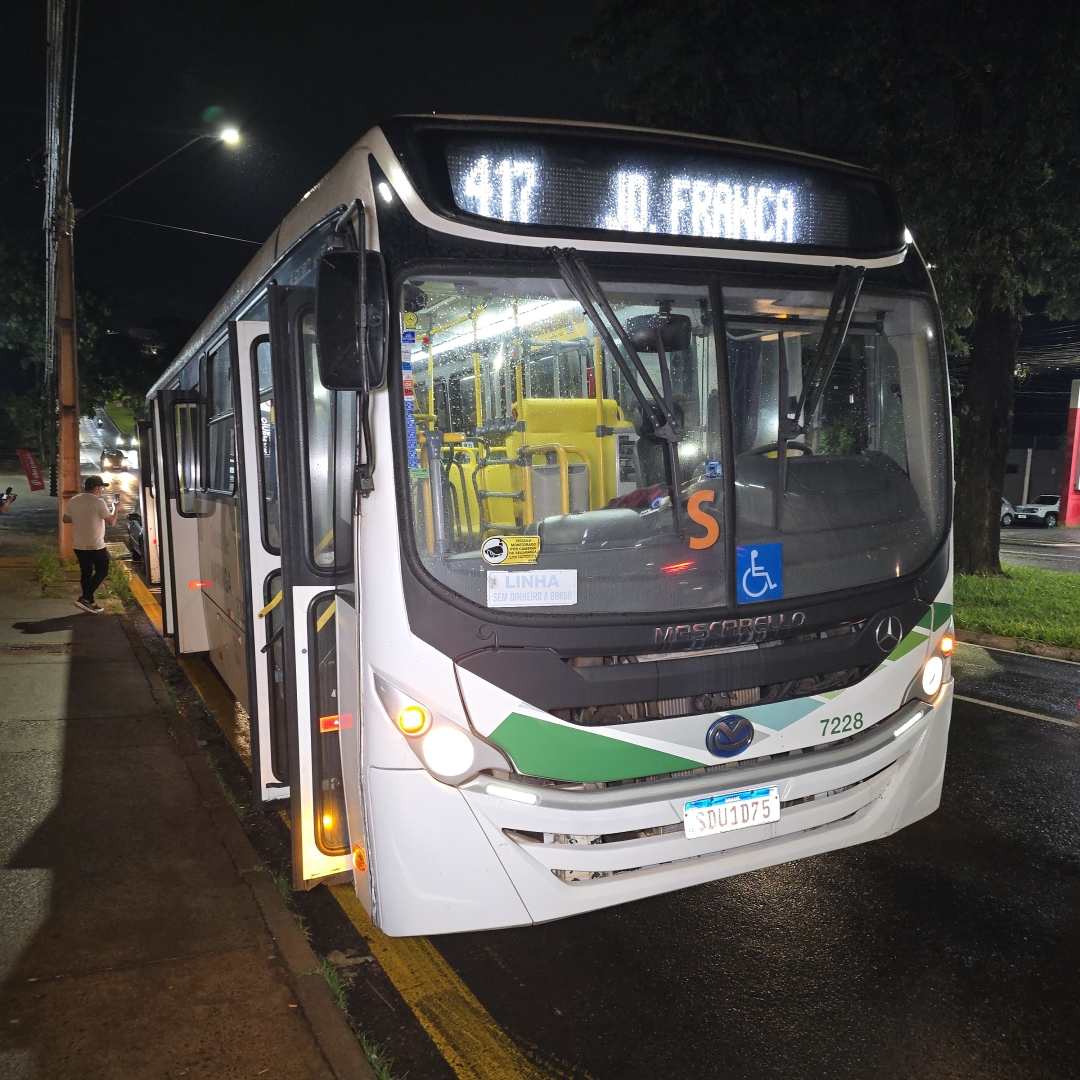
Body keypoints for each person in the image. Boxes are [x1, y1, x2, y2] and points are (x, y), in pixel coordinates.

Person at [63, 475, 118, 614]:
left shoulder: (74, 500)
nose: (102, 490)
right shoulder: (98, 502)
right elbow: (111, 521)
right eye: (101, 488)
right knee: (102, 570)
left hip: (79, 545)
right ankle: (85, 597)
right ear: (96, 488)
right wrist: (115, 508)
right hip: (95, 545)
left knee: (86, 572)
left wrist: (81, 517)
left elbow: (66, 519)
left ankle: (90, 602)